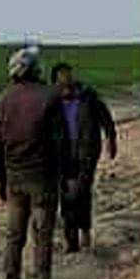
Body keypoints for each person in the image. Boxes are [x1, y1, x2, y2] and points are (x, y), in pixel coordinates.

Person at [0, 47, 69, 279]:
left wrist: (1, 180)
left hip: (14, 177)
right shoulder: (50, 97)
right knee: (42, 236)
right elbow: (61, 142)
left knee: (14, 237)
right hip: (43, 177)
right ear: (36, 70)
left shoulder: (2, 100)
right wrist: (67, 174)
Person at [50, 61, 117, 253]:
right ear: (55, 81)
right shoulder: (52, 102)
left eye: (69, 74)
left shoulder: (88, 96)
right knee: (66, 198)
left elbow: (106, 119)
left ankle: (85, 231)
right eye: (62, 76)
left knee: (81, 192)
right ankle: (71, 242)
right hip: (62, 156)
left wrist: (111, 140)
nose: (67, 78)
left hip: (87, 153)